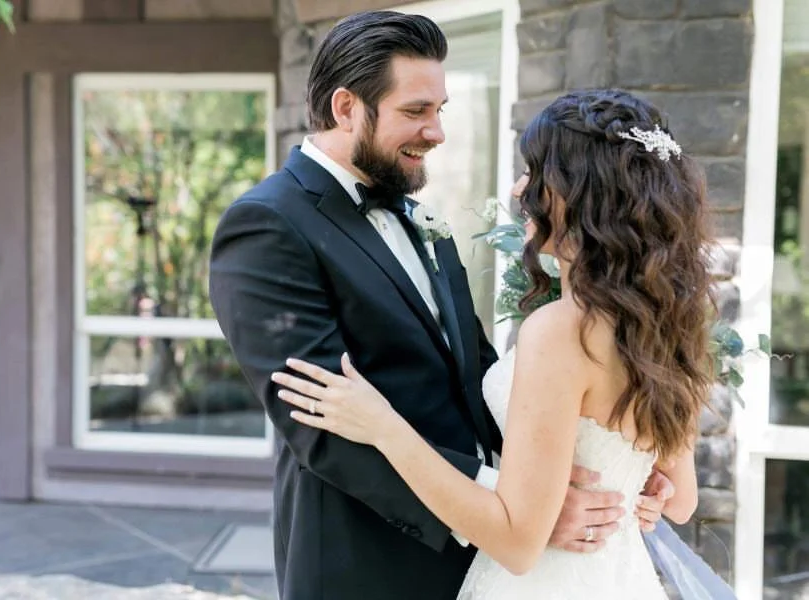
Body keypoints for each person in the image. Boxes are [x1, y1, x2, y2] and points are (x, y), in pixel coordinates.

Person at [209, 10, 670, 599]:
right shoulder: (266, 225)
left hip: (494, 554)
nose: (436, 132)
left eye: (439, 110)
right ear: (346, 107)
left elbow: (474, 373)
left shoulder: (423, 215)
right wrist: (509, 500)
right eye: (414, 111)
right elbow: (322, 425)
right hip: (368, 561)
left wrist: (579, 476)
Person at [271, 88, 711, 598]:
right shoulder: (669, 320)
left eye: (537, 171)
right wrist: (640, 490)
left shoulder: (560, 330)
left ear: (580, 192)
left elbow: (517, 543)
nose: (522, 186)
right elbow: (681, 500)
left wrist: (383, 426)